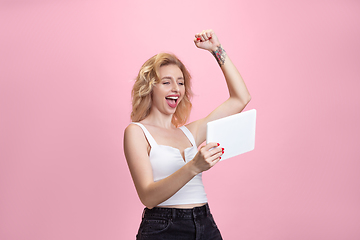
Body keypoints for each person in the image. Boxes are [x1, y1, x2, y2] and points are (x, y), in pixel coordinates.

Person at [123, 29, 251, 240]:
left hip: (204, 223)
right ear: (150, 88)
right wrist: (194, 166)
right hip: (163, 228)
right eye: (167, 82)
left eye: (181, 82)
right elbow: (148, 197)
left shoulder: (191, 132)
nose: (176, 89)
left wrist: (216, 50)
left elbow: (241, 98)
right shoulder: (137, 133)